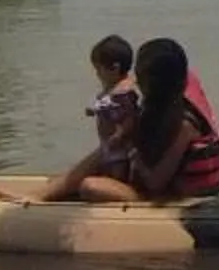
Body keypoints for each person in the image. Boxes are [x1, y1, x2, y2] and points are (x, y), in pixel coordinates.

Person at [76, 36, 219, 203]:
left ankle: (55, 191)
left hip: (184, 195)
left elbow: (155, 183)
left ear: (158, 86)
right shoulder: (176, 93)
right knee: (103, 155)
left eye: (141, 78)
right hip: (166, 185)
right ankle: (53, 190)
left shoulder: (185, 125)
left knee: (90, 187)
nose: (136, 82)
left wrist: (133, 150)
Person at [31, 35, 139, 203]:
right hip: (108, 149)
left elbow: (129, 117)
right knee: (64, 180)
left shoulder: (124, 90)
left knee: (115, 175)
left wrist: (119, 135)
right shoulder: (116, 88)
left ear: (114, 68)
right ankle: (61, 190)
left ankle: (116, 196)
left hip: (119, 150)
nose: (97, 74)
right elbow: (106, 105)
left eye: (98, 69)